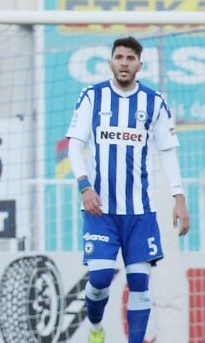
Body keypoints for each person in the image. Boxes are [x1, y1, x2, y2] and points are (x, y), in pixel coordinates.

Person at [66, 36, 190, 343]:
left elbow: (167, 152)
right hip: (101, 210)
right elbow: (75, 145)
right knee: (99, 279)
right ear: (110, 62)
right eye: (119, 57)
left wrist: (179, 197)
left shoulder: (154, 101)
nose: (124, 63)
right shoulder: (92, 96)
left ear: (139, 65)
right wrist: (84, 186)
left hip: (140, 212)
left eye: (130, 58)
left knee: (139, 283)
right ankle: (96, 328)